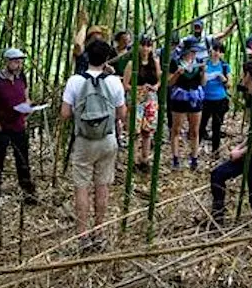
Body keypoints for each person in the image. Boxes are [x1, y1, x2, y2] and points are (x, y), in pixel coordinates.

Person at [60, 41, 127, 253]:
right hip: (107, 139)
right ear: (107, 59)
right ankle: (99, 232)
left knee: (82, 186)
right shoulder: (114, 82)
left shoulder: (75, 81)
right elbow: (122, 114)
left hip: (84, 140)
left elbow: (65, 113)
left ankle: (82, 235)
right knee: (102, 185)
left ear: (87, 56)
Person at [209, 60, 252, 227]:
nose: (241, 78)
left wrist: (242, 152)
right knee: (218, 175)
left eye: (243, 74)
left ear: (248, 76)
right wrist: (240, 147)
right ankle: (217, 220)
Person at [0, 48, 38, 218]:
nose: (18, 65)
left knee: (23, 161)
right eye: (15, 61)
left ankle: (28, 194)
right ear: (7, 61)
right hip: (2, 128)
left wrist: (28, 108)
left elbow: (26, 98)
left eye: (20, 61)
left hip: (19, 127)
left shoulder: (21, 77)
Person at [123, 35, 161, 173]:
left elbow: (159, 80)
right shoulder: (132, 64)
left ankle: (145, 159)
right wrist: (139, 88)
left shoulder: (155, 62)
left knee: (147, 131)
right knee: (134, 132)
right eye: (143, 45)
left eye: (148, 46)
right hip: (136, 100)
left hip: (151, 100)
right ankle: (132, 160)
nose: (145, 49)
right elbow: (125, 85)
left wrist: (155, 86)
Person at [169, 37, 207, 171]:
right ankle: (175, 158)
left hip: (195, 97)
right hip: (179, 98)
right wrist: (177, 74)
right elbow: (169, 82)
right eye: (192, 51)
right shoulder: (175, 62)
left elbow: (203, 83)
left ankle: (194, 158)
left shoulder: (199, 63)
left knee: (195, 130)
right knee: (176, 129)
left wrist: (203, 71)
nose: (193, 54)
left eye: (195, 51)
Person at [200, 42, 232, 158]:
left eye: (219, 51)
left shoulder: (224, 66)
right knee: (201, 125)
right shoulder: (204, 64)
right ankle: (195, 151)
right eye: (214, 50)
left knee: (216, 126)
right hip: (205, 99)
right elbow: (202, 84)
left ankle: (215, 151)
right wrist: (204, 72)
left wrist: (223, 79)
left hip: (219, 99)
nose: (216, 53)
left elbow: (229, 84)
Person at [72, 10, 111, 75]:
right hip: (83, 80)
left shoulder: (104, 53)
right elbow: (78, 44)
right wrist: (84, 25)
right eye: (93, 38)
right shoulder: (84, 53)